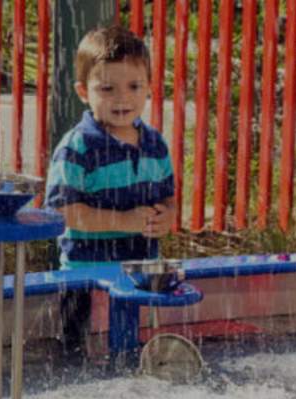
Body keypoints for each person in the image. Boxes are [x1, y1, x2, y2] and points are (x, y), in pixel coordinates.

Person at [44, 25, 175, 353]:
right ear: (83, 91)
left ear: (149, 89)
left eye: (134, 86)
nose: (123, 98)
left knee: (132, 342)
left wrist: (168, 216)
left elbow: (167, 196)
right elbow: (62, 212)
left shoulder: (155, 144)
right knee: (75, 347)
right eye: (107, 88)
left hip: (139, 267)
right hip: (84, 272)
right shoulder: (78, 146)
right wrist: (124, 220)